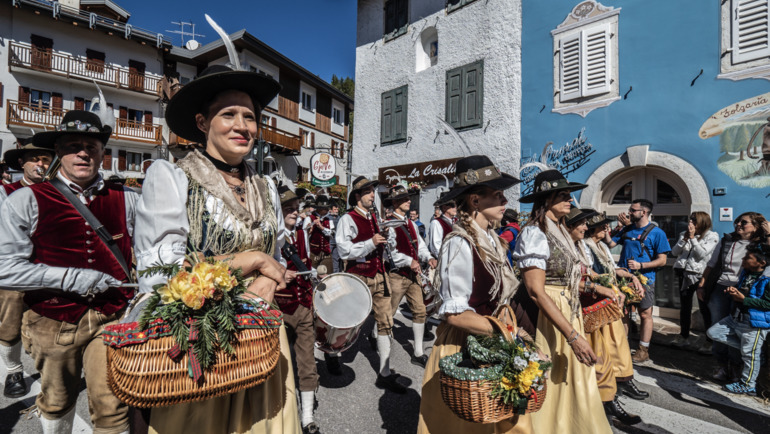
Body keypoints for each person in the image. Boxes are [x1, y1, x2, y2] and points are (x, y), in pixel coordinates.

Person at [135, 62, 300, 433]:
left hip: (260, 340)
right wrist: (252, 259)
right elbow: (159, 274)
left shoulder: (267, 188)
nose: (242, 126)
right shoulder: (172, 178)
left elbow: (276, 258)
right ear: (202, 122)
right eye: (228, 114)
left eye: (250, 116)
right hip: (201, 345)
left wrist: (270, 277)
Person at [0, 110, 137, 433]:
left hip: (112, 316)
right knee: (57, 401)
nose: (83, 153)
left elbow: (147, 252)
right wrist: (69, 278)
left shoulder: (127, 197)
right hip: (53, 320)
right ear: (58, 152)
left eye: (91, 147)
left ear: (102, 154)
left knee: (113, 404)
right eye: (74, 146)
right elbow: (5, 269)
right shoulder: (25, 199)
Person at [417, 155, 531, 434]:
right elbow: (456, 315)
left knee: (508, 417)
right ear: (475, 201)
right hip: (464, 345)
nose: (505, 200)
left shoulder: (492, 240)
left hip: (493, 339)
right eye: (497, 194)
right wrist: (509, 335)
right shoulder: (459, 243)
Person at [512, 169, 611, 434]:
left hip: (566, 307)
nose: (570, 200)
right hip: (546, 313)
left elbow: (567, 278)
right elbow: (536, 290)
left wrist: (595, 288)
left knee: (573, 378)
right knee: (551, 378)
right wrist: (572, 336)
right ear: (546, 200)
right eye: (563, 195)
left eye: (569, 195)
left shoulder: (560, 230)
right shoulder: (534, 232)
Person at [566, 208, 642, 426]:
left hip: (594, 303)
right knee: (597, 355)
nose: (586, 228)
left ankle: (610, 395)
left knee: (607, 351)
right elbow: (577, 277)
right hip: (581, 306)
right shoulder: (578, 246)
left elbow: (594, 272)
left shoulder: (585, 246)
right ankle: (601, 401)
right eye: (601, 226)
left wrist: (622, 281)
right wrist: (602, 287)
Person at [336, 176, 408, 393]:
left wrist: (386, 238)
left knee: (385, 322)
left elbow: (383, 247)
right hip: (359, 276)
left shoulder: (375, 218)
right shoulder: (347, 219)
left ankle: (384, 373)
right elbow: (344, 251)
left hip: (379, 274)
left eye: (372, 191)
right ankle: (332, 353)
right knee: (349, 320)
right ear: (357, 196)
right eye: (367, 191)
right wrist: (371, 242)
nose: (372, 195)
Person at [0, 138, 54, 398]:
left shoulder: (58, 192)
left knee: (53, 326)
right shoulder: (6, 191)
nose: (40, 164)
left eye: (45, 159)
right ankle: (13, 370)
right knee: (9, 325)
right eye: (35, 159)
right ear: (22, 163)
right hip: (16, 271)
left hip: (50, 269)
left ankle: (55, 374)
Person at [583, 212, 650, 403]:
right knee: (607, 344)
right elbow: (589, 272)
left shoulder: (602, 246)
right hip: (596, 301)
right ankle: (611, 385)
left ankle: (623, 379)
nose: (606, 229)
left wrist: (632, 276)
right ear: (593, 229)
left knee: (618, 341)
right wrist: (608, 286)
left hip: (609, 300)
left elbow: (612, 269)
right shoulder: (586, 247)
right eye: (603, 226)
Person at [698, 211, 767, 380]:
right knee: (717, 326)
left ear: (756, 226)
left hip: (745, 290)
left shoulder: (761, 245)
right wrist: (702, 285)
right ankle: (722, 365)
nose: (738, 225)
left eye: (744, 222)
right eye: (737, 222)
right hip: (721, 288)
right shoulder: (727, 240)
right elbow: (711, 265)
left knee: (738, 330)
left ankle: (736, 366)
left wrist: (769, 233)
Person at [604, 199, 671, 363]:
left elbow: (662, 260)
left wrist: (641, 265)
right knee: (624, 313)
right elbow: (611, 244)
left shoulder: (657, 233)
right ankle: (623, 347)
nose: (629, 213)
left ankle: (643, 350)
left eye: (633, 210)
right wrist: (606, 231)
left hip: (644, 280)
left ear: (644, 212)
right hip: (623, 278)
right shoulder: (627, 229)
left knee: (645, 314)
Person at [277, 186, 321, 434]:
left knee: (307, 361)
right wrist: (280, 274)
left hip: (303, 304)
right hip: (280, 307)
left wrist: (312, 274)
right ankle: (281, 411)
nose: (295, 212)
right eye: (288, 209)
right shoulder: (272, 236)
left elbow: (307, 263)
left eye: (296, 208)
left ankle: (307, 417)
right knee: (279, 362)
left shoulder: (302, 234)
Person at [707, 244, 770, 396]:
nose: (743, 259)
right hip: (736, 317)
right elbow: (743, 290)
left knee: (749, 354)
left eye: (748, 257)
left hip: (754, 322)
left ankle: (748, 385)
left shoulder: (767, 279)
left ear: (761, 263)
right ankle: (756, 352)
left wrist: (744, 300)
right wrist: (734, 290)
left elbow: (768, 304)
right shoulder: (746, 273)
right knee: (714, 332)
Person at [385, 185, 437, 367]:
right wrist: (409, 261)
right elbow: (391, 254)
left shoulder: (411, 223)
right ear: (395, 203)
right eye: (404, 199)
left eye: (408, 198)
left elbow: (420, 246)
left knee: (420, 311)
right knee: (388, 312)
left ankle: (418, 352)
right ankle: (376, 336)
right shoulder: (388, 225)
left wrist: (428, 257)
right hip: (397, 276)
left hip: (413, 275)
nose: (409, 201)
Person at [670, 212, 719, 349]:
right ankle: (684, 336)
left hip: (700, 276)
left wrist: (692, 239)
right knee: (685, 307)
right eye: (690, 220)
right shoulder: (683, 234)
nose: (690, 223)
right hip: (684, 274)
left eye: (693, 221)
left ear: (702, 222)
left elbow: (701, 254)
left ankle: (709, 341)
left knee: (704, 308)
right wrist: (684, 239)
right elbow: (674, 252)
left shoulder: (712, 236)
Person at [304, 195, 334, 272]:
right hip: (313, 252)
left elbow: (332, 234)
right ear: (319, 209)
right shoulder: (309, 218)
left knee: (327, 273)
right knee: (312, 273)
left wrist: (322, 228)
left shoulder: (329, 219)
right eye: (325, 208)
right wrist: (311, 225)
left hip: (326, 253)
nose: (327, 210)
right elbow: (304, 234)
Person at [329, 203, 343, 273]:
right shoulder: (328, 218)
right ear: (330, 210)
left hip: (337, 242)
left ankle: (336, 273)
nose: (336, 211)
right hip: (329, 241)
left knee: (336, 258)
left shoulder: (339, 218)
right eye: (335, 209)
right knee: (328, 258)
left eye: (337, 209)